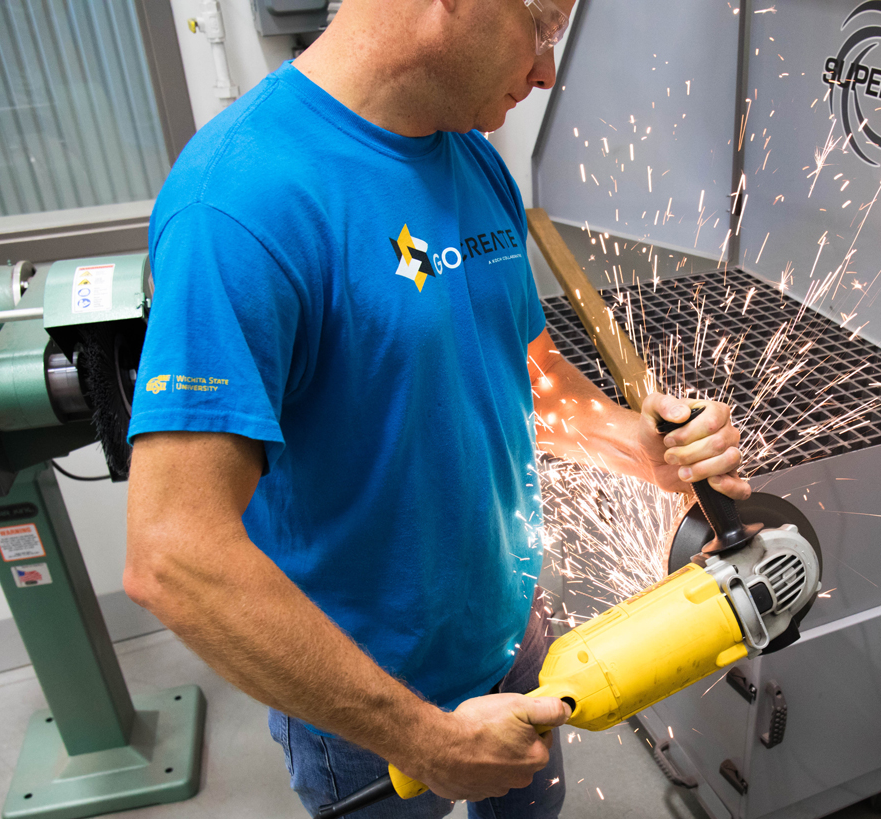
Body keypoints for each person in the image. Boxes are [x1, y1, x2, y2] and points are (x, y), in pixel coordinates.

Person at [122, 0, 751, 816]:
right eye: (545, 27)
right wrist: (420, 737)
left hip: (519, 642)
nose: (547, 69)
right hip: (365, 705)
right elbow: (175, 552)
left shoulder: (471, 154)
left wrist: (638, 445)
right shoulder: (239, 204)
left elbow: (524, 367)